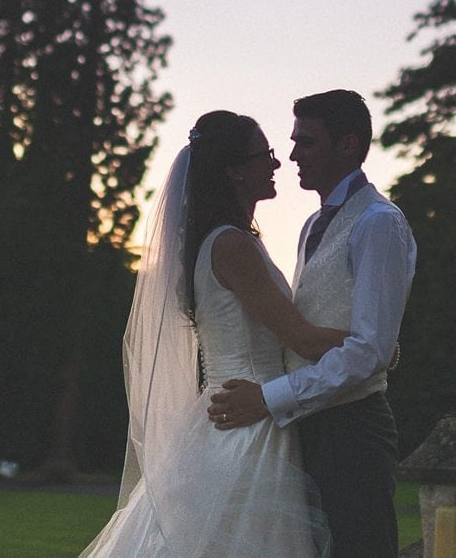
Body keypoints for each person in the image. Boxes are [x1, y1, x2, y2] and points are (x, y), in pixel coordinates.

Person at [80, 110, 340, 558]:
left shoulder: (226, 241)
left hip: (235, 411)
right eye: (266, 155)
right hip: (247, 421)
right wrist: (378, 342)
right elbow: (303, 339)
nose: (276, 164)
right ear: (235, 171)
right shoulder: (231, 245)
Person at [208, 89, 417, 558]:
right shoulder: (310, 226)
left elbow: (368, 353)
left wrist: (269, 397)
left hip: (353, 431)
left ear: (347, 145)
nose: (292, 156)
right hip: (304, 428)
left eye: (306, 142)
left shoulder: (380, 223)